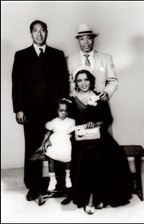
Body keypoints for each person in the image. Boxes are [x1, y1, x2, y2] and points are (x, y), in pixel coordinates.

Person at [12, 20, 69, 201]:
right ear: (30, 34)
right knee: (32, 147)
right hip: (31, 112)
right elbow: (17, 85)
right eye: (35, 31)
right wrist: (19, 109)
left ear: (47, 32)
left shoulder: (57, 55)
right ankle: (33, 185)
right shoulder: (21, 56)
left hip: (53, 111)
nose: (39, 34)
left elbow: (63, 84)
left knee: (58, 145)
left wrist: (63, 108)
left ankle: (59, 182)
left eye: (42, 30)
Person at [68, 68, 133, 214]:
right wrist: (84, 125)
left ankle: (101, 195)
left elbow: (108, 119)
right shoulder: (71, 98)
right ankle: (91, 198)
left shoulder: (100, 96)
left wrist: (95, 123)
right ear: (76, 83)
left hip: (100, 135)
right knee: (89, 155)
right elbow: (69, 121)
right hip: (81, 137)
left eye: (86, 79)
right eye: (79, 80)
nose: (83, 83)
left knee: (113, 154)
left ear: (91, 81)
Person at [67, 23, 118, 101]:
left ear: (93, 39)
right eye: (82, 39)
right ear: (78, 40)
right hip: (77, 105)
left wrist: (107, 93)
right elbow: (66, 81)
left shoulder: (106, 58)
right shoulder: (69, 60)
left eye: (89, 38)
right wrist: (71, 90)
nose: (86, 42)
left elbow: (113, 81)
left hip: (99, 103)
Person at [36, 99, 75, 191]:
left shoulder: (71, 121)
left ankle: (67, 176)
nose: (64, 113)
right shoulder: (53, 122)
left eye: (65, 111)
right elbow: (47, 133)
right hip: (55, 141)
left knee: (69, 153)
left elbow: (74, 132)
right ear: (57, 111)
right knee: (51, 154)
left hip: (66, 141)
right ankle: (52, 179)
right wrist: (42, 144)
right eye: (61, 111)